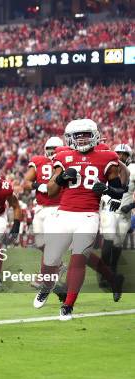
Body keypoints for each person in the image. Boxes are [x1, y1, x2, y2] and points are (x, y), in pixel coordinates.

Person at [42, 119, 124, 320]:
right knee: (76, 255)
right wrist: (61, 179)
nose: (82, 139)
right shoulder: (63, 156)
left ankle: (68, 302)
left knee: (80, 255)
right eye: (77, 136)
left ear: (95, 135)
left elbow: (119, 191)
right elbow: (51, 191)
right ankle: (113, 280)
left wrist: (107, 190)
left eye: (86, 135)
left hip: (98, 208)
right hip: (67, 210)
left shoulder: (107, 154)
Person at [22, 136, 65, 289]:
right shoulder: (38, 161)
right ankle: (58, 265)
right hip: (40, 207)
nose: (52, 152)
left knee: (48, 242)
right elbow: (25, 183)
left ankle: (44, 277)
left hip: (57, 207)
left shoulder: (66, 162)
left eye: (55, 149)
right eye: (50, 149)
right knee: (39, 243)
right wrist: (39, 186)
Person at [99, 144, 134, 274]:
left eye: (123, 154)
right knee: (108, 241)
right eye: (118, 153)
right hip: (109, 210)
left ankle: (112, 268)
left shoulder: (132, 169)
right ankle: (103, 273)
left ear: (128, 156)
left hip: (124, 214)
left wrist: (131, 205)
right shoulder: (108, 168)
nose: (120, 156)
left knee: (118, 244)